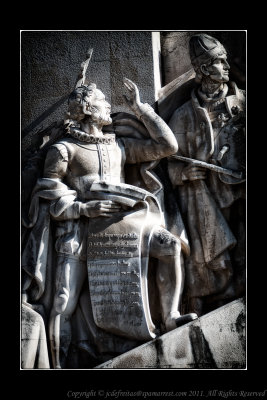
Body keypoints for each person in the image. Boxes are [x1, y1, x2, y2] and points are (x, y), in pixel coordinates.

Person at [22, 77, 196, 369]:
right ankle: (59, 363)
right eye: (103, 101)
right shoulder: (64, 150)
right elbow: (47, 194)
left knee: (169, 247)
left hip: (123, 229)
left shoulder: (118, 146)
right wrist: (83, 208)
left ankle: (169, 317)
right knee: (64, 301)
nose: (108, 106)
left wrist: (141, 109)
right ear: (88, 108)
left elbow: (167, 146)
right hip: (79, 232)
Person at [167, 34, 246, 317]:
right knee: (213, 258)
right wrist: (185, 173)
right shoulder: (182, 115)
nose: (226, 66)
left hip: (240, 192)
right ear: (202, 70)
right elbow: (171, 164)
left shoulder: (243, 104)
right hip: (205, 199)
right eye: (218, 62)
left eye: (225, 60)